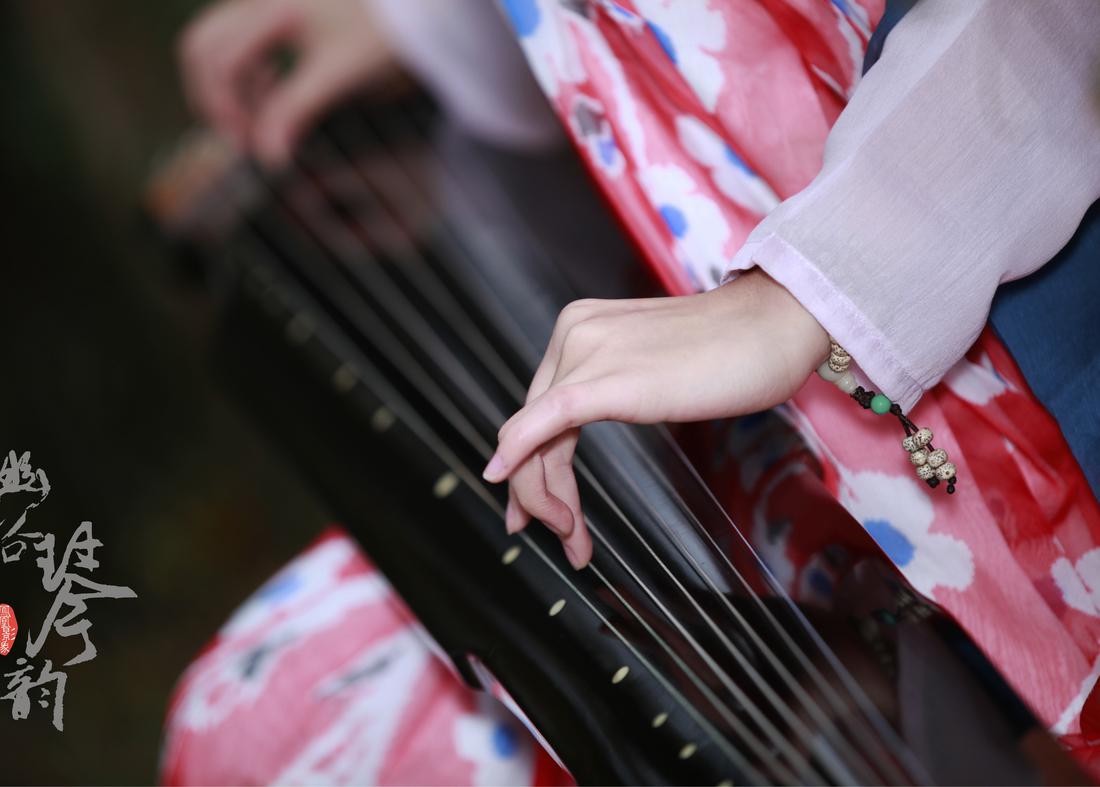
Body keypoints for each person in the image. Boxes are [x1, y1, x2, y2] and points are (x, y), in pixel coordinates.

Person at [167, 0, 1100, 781]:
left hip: (965, 281)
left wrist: (812, 289)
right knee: (258, 726)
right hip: (720, 401)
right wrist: (442, 26)